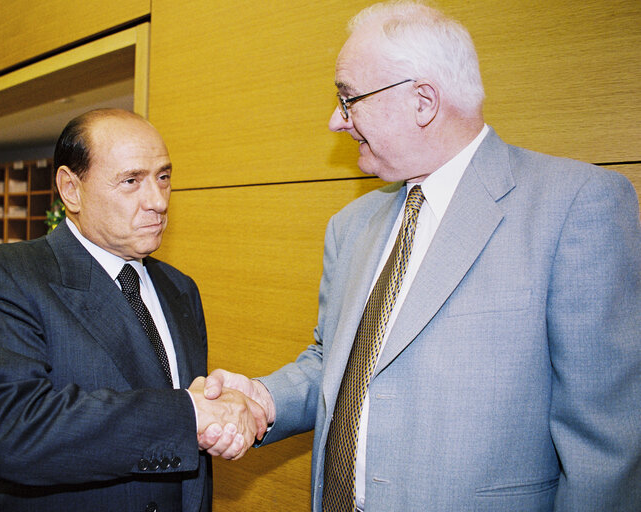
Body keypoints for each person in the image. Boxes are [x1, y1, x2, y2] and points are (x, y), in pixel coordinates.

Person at [200, 2, 641, 511]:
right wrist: (262, 398)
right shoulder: (352, 225)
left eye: (348, 99)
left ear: (423, 101)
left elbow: (607, 446)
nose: (335, 122)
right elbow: (337, 361)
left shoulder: (573, 206)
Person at [0, 109, 266, 511]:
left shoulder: (180, 289)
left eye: (163, 178)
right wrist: (189, 415)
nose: (157, 201)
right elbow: (14, 430)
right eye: (131, 181)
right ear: (71, 189)